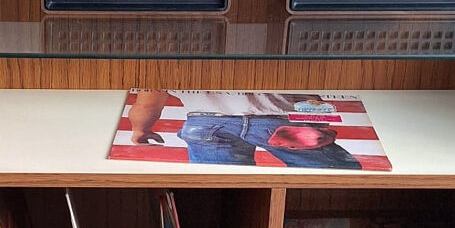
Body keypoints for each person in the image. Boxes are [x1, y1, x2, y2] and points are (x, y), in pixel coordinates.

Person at [128, 91, 362, 170]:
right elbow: (308, 98)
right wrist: (316, 123)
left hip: (204, 122)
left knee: (222, 189)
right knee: (336, 173)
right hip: (275, 119)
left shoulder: (171, 48)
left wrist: (140, 129)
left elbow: (147, 104)